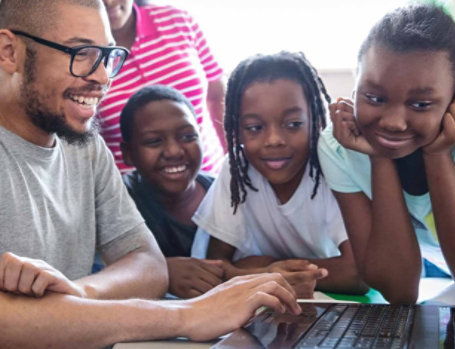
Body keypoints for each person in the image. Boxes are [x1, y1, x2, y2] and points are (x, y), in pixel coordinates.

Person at [0, 1, 300, 347]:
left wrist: (76, 294)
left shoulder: (84, 146)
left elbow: (148, 264)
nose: (102, 76)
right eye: (81, 52)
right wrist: (189, 315)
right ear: (9, 51)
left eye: (108, 55)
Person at [317, 5, 455, 305]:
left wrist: (438, 153)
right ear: (355, 86)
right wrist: (379, 159)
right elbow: (399, 290)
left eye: (420, 104)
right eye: (375, 98)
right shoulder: (340, 147)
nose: (392, 122)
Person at [192, 52, 368, 297]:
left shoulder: (332, 166)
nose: (274, 140)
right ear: (238, 131)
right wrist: (269, 272)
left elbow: (358, 274)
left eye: (293, 124)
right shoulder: (237, 169)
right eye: (255, 128)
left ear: (317, 121)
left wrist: (265, 268)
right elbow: (215, 268)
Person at [120, 85, 224, 298]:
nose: (174, 151)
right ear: (128, 153)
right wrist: (159, 272)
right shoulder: (119, 202)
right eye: (154, 141)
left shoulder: (229, 196)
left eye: (187, 136)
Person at [99, 0, 226, 175]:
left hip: (214, 179)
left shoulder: (178, 20)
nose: (108, 2)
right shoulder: (80, 56)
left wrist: (234, 159)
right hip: (135, 195)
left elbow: (217, 94)